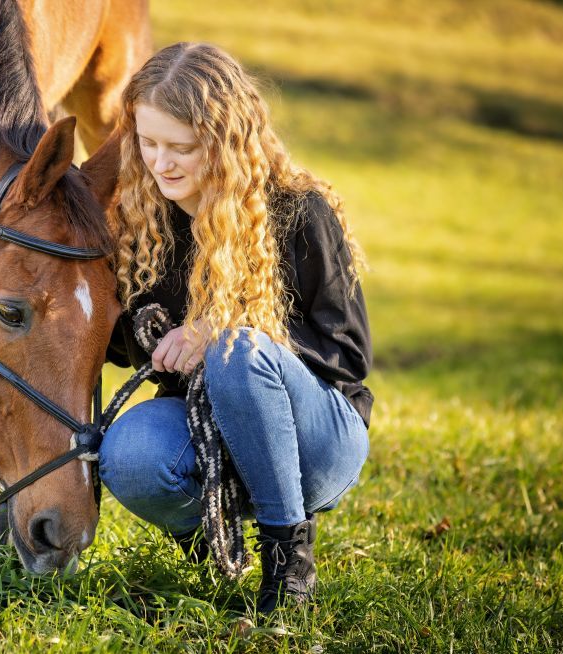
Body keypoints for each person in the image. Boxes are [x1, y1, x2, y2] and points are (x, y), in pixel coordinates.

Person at [100, 42, 373, 615]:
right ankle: (210, 534)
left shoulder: (300, 211)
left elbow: (345, 355)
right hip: (209, 440)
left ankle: (288, 561)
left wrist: (218, 330)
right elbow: (119, 352)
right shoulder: (144, 222)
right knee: (126, 452)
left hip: (315, 444)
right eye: (148, 143)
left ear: (225, 141)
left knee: (236, 349)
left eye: (182, 147)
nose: (161, 163)